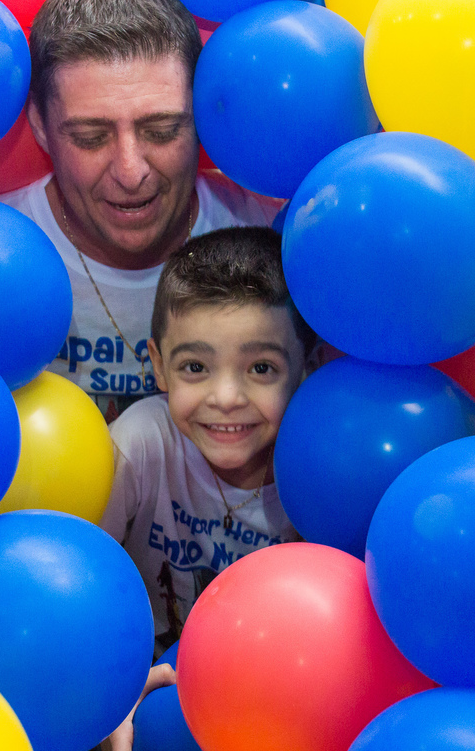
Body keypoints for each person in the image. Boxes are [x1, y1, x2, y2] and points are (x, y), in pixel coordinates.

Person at [0, 0, 281, 422]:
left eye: (162, 130)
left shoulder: (274, 237)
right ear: (41, 127)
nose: (131, 172)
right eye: (91, 138)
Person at [97, 228, 315, 749]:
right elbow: (79, 582)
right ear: (158, 365)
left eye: (261, 368)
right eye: (195, 367)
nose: (226, 397)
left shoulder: (323, 473)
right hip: (144, 688)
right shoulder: (141, 442)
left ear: (308, 367)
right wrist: (105, 693)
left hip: (274, 697)